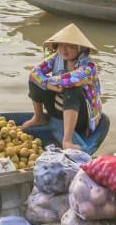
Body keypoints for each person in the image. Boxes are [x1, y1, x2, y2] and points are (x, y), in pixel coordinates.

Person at [22, 24, 108, 152]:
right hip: (59, 108)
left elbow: (74, 79)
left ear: (81, 48)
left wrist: (50, 82)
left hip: (81, 116)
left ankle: (67, 140)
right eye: (61, 45)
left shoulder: (89, 66)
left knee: (72, 88)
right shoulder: (57, 58)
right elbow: (35, 72)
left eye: (71, 46)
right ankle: (39, 117)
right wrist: (48, 84)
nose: (64, 49)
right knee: (35, 81)